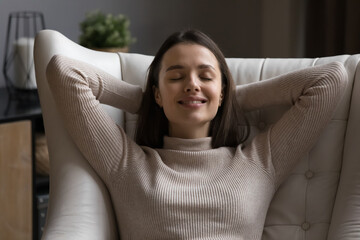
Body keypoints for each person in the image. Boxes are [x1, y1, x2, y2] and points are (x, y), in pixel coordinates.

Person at [46, 29, 348, 239]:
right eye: (176, 77)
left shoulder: (259, 162)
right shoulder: (126, 164)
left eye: (205, 76)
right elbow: (65, 72)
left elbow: (330, 79)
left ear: (222, 91)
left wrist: (225, 100)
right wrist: (150, 103)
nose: (192, 84)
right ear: (157, 94)